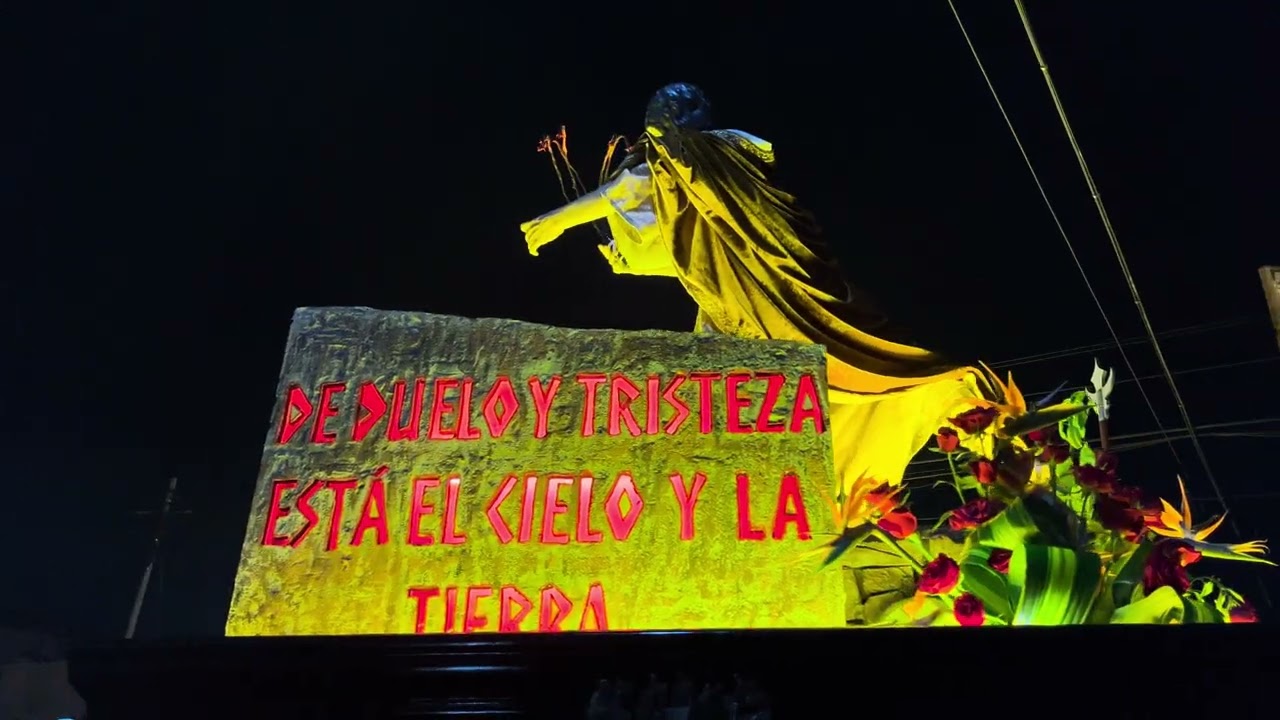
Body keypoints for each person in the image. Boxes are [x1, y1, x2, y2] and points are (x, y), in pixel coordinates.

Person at [521, 82, 994, 493]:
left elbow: (631, 193)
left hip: (766, 307)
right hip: (747, 303)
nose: (655, 132)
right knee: (752, 403)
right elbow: (711, 252)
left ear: (679, 120)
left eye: (660, 120)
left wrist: (557, 220)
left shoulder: (698, 157)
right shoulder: (731, 167)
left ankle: (951, 410)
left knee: (786, 390)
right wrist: (631, 262)